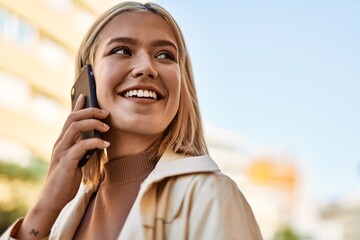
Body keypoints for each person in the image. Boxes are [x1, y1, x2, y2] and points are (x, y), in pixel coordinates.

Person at [1, 1, 262, 239]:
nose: (147, 67)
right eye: (122, 50)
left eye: (165, 55)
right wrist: (45, 207)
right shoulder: (66, 212)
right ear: (86, 81)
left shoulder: (212, 195)